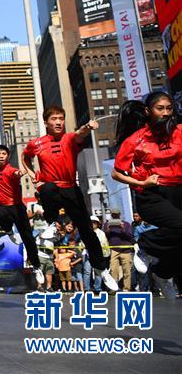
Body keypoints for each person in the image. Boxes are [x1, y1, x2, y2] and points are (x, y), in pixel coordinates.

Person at [21, 106, 119, 292]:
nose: (58, 122)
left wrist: (88, 128)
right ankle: (51, 223)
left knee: (87, 231)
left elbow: (79, 134)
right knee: (47, 188)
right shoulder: (37, 144)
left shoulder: (69, 138)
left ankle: (101, 270)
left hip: (70, 189)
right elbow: (25, 158)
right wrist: (34, 176)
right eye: (54, 119)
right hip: (51, 187)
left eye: (61, 118)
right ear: (46, 122)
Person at [111, 93, 182, 289]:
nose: (166, 113)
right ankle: (145, 243)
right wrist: (141, 183)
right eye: (160, 109)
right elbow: (116, 173)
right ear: (148, 111)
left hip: (177, 191)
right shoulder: (136, 140)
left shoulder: (179, 131)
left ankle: (162, 272)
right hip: (152, 194)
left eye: (169, 108)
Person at [0, 144, 44, 285]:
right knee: (0, 215)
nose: (1, 156)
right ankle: (9, 231)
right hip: (2, 204)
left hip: (17, 206)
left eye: (4, 154)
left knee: (28, 238)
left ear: (7, 156)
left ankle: (36, 266)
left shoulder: (11, 170)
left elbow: (16, 174)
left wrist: (21, 173)